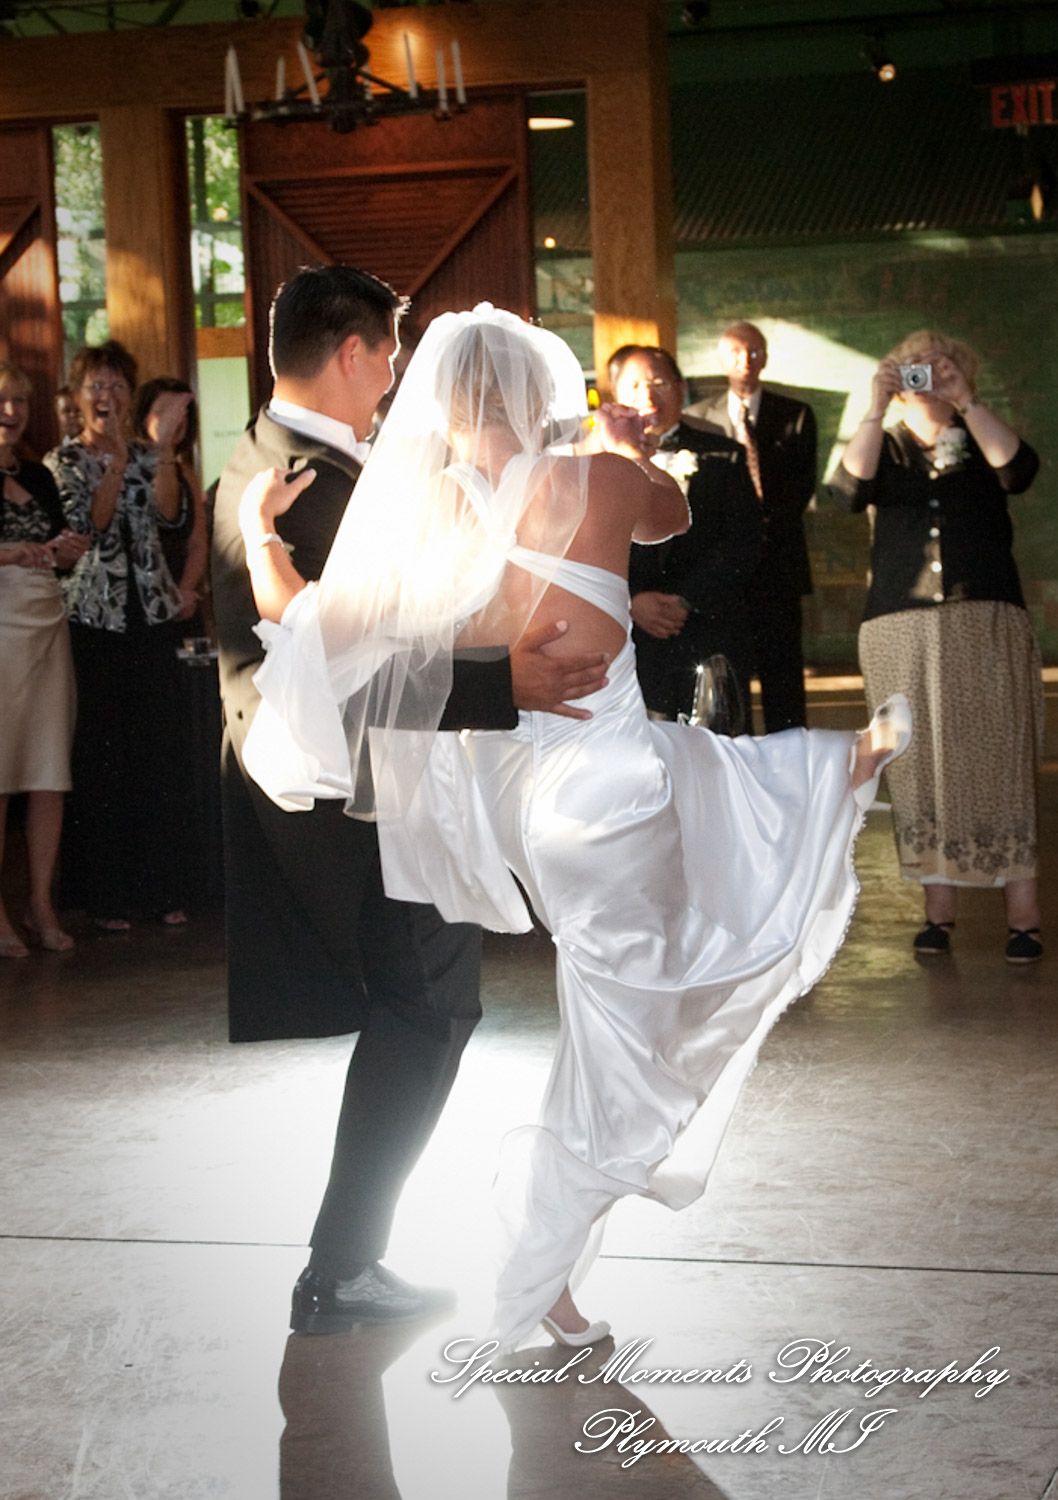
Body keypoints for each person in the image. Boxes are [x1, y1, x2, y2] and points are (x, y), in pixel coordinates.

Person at [238, 304, 909, 1351]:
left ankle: (828, 775)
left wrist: (255, 538)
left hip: (528, 818)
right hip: (606, 797)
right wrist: (625, 464)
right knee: (632, 1020)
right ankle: (528, 1264)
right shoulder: (590, 483)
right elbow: (669, 522)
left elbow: (307, 623)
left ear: (448, 410)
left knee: (672, 859)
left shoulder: (433, 525)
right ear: (539, 395)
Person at [211, 268, 610, 1335]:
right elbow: (348, 639)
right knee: (425, 1011)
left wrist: (260, 545)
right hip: (405, 787)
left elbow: (338, 627)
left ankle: (356, 1263)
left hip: (441, 777)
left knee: (435, 1011)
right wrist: (259, 543)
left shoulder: (491, 493)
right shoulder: (447, 494)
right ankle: (347, 1268)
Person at [831, 330, 1043, 964]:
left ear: (960, 369)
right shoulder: (883, 440)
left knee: (999, 754)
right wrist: (875, 405)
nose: (923, 373)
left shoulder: (981, 432)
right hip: (898, 619)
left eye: (936, 364)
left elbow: (1019, 471)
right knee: (917, 763)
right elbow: (845, 491)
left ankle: (1023, 915)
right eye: (910, 365)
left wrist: (966, 399)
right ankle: (938, 913)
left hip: (984, 614)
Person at [45, 340, 192, 931]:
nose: (106, 397)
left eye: (116, 387)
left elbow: (172, 515)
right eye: (95, 388)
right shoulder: (63, 461)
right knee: (104, 759)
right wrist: (110, 465)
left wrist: (159, 452)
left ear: (131, 396)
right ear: (78, 398)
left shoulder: (147, 451)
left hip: (151, 613)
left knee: (158, 755)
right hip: (92, 620)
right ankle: (106, 898)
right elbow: (91, 523)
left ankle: (162, 890)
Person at [609, 343, 762, 729]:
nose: (647, 395)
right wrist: (631, 601)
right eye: (634, 385)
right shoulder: (598, 466)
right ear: (616, 395)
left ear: (681, 388)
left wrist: (685, 599)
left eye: (659, 382)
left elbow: (743, 542)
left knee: (718, 749)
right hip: (630, 638)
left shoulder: (724, 455)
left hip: (707, 628)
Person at [0, 363, 89, 957]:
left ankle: (39, 903)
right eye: (3, 400)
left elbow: (63, 549)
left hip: (46, 625)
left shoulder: (36, 471)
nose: (12, 410)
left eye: (20, 400)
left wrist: (65, 550)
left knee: (47, 772)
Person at [689, 321, 817, 732]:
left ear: (765, 357)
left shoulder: (795, 415)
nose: (746, 361)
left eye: (755, 351)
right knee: (729, 683)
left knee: (784, 682)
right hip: (723, 575)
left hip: (778, 567)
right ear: (722, 359)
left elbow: (799, 491)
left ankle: (792, 771)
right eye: (736, 352)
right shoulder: (699, 418)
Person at [134, 377, 209, 629]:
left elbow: (198, 544)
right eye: (164, 412)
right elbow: (165, 513)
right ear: (144, 417)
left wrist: (184, 591)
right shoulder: (128, 467)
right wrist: (163, 448)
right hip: (141, 600)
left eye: (181, 413)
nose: (175, 420)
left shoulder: (186, 473)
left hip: (181, 598)